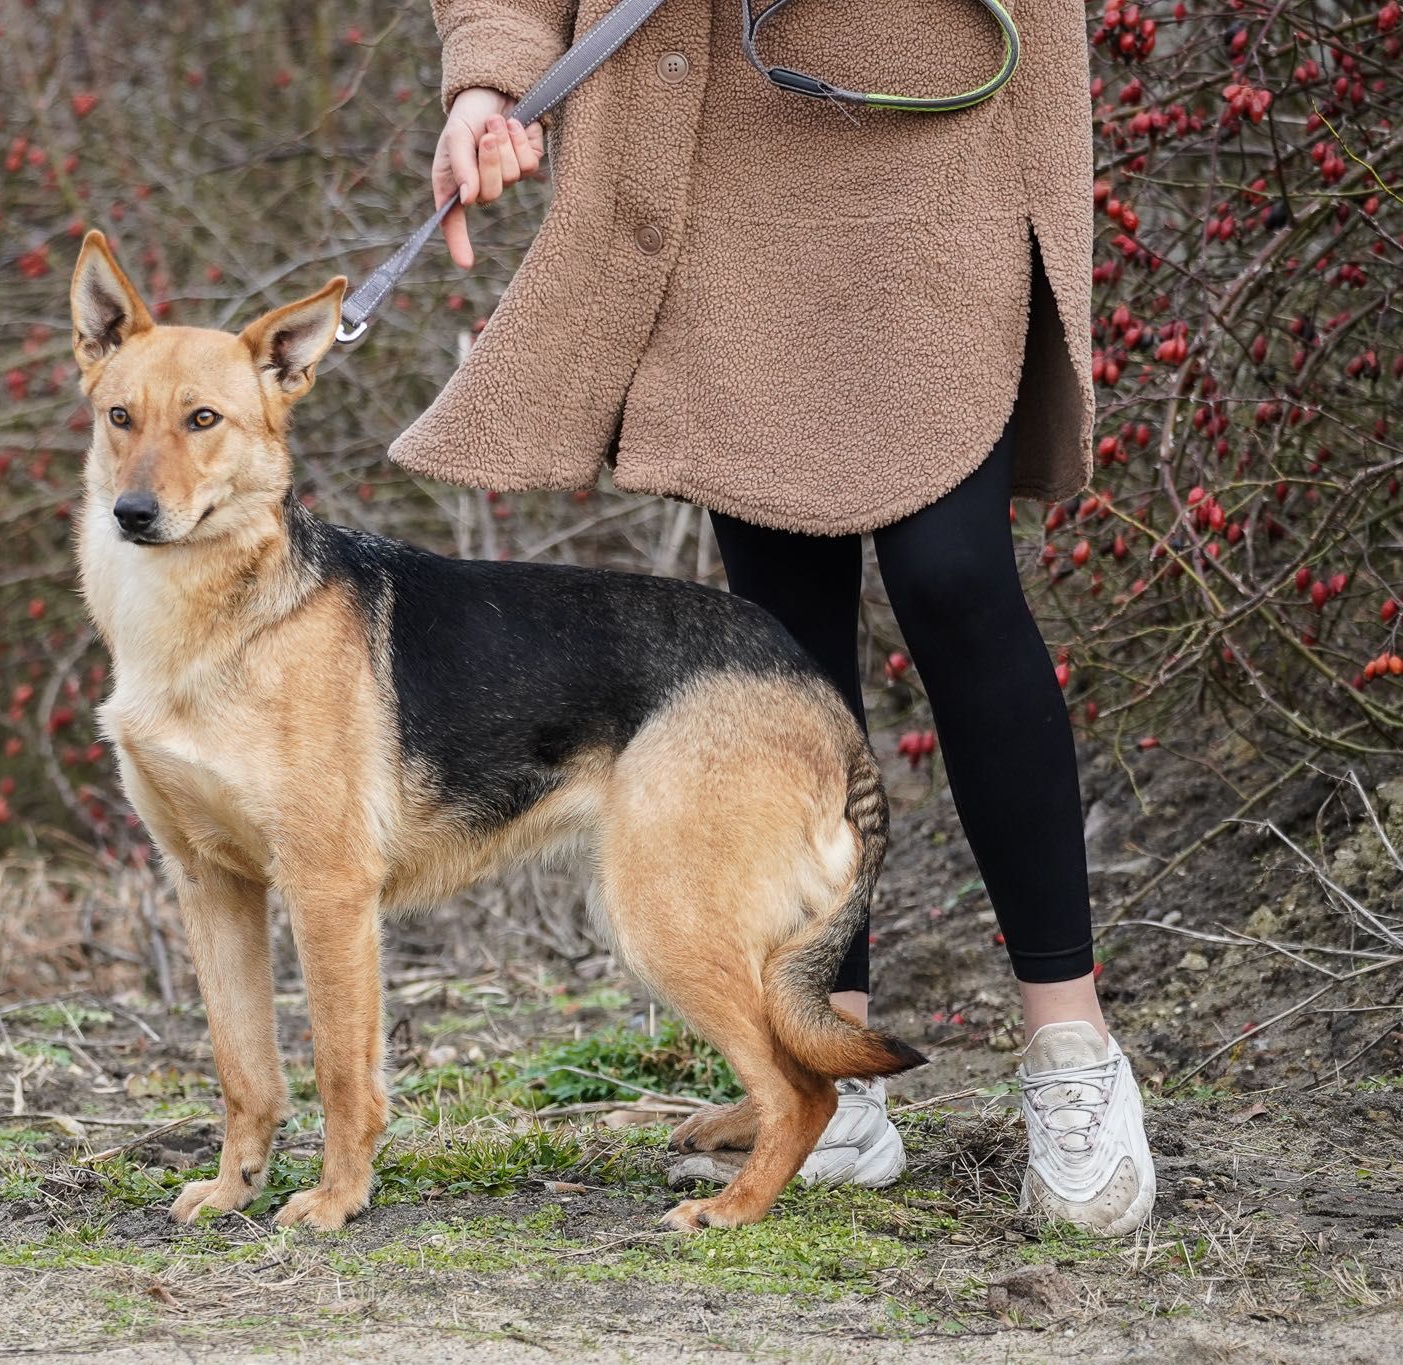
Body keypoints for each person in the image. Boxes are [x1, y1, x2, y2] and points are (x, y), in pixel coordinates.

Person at [397, 0, 1155, 1236]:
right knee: (781, 631)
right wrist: (487, 76)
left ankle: (1069, 1050)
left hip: (933, 120)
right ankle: (824, 1063)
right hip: (720, 141)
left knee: (955, 582)